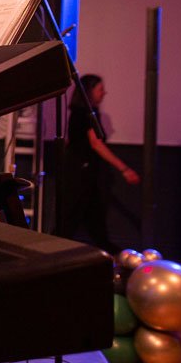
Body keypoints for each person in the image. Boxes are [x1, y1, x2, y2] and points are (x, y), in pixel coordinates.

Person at [59, 74, 140, 255]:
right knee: (70, 221)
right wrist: (124, 169)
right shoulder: (84, 115)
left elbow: (71, 142)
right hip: (81, 175)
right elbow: (96, 143)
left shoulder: (80, 115)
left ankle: (113, 255)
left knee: (92, 224)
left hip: (83, 173)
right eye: (100, 90)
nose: (104, 93)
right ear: (88, 92)